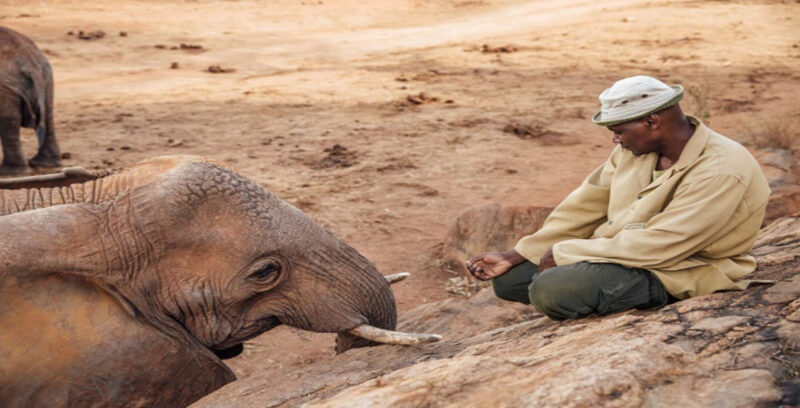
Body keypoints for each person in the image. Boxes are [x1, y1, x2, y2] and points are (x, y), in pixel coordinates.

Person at [466, 75, 771, 321]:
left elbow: (666, 243)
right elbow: (583, 207)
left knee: (550, 290)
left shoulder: (721, 169)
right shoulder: (634, 150)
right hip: (623, 252)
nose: (615, 139)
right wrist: (516, 254)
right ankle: (599, 285)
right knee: (511, 280)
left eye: (619, 131)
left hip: (681, 268)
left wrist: (568, 253)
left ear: (652, 122)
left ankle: (634, 295)